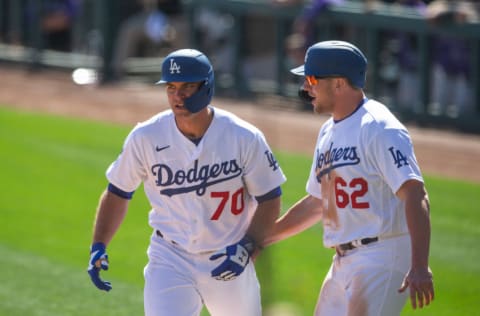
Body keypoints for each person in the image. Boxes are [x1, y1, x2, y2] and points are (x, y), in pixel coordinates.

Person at [87, 48, 286, 316]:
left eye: (187, 87)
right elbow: (118, 192)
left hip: (228, 255)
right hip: (170, 257)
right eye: (171, 87)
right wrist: (99, 244)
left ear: (207, 87)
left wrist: (250, 244)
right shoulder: (146, 136)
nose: (177, 96)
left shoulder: (244, 137)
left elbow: (270, 198)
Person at [264, 40, 434, 315]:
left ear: (339, 83)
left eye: (311, 79)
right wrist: (264, 236)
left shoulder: (379, 127)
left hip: (382, 255)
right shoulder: (328, 131)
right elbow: (318, 202)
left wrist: (419, 266)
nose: (305, 88)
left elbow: (415, 194)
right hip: (343, 261)